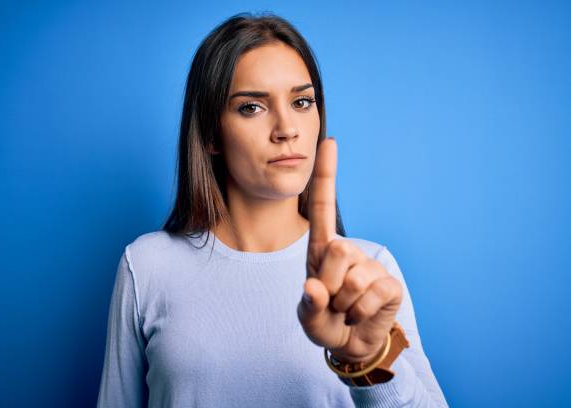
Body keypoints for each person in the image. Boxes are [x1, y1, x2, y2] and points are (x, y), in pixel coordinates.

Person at [96, 12, 448, 407]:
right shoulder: (146, 266)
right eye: (252, 107)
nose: (287, 128)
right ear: (211, 134)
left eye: (301, 101)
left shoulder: (366, 270)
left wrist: (367, 362)